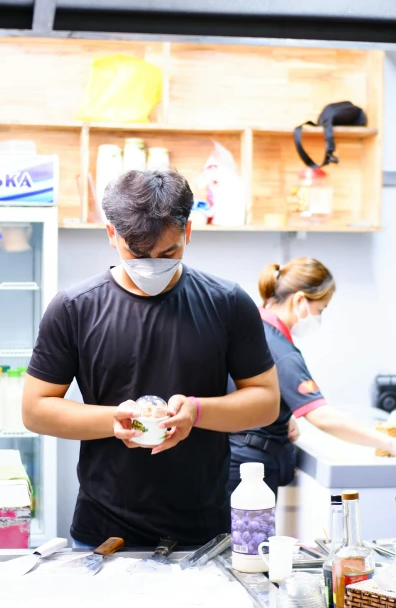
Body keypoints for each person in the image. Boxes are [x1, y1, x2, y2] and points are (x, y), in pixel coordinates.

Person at [23, 169, 279, 547]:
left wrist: (197, 411)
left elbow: (266, 401)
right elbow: (35, 409)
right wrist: (113, 420)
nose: (152, 264)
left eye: (169, 252)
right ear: (112, 234)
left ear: (187, 233)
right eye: (137, 253)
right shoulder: (74, 308)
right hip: (104, 534)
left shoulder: (227, 303)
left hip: (202, 535)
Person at [227, 256, 396, 497]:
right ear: (299, 301)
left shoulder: (251, 327)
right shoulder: (278, 347)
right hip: (249, 465)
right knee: (249, 533)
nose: (319, 318)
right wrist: (388, 442)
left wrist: (280, 412)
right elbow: (321, 416)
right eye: (321, 309)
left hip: (232, 459)